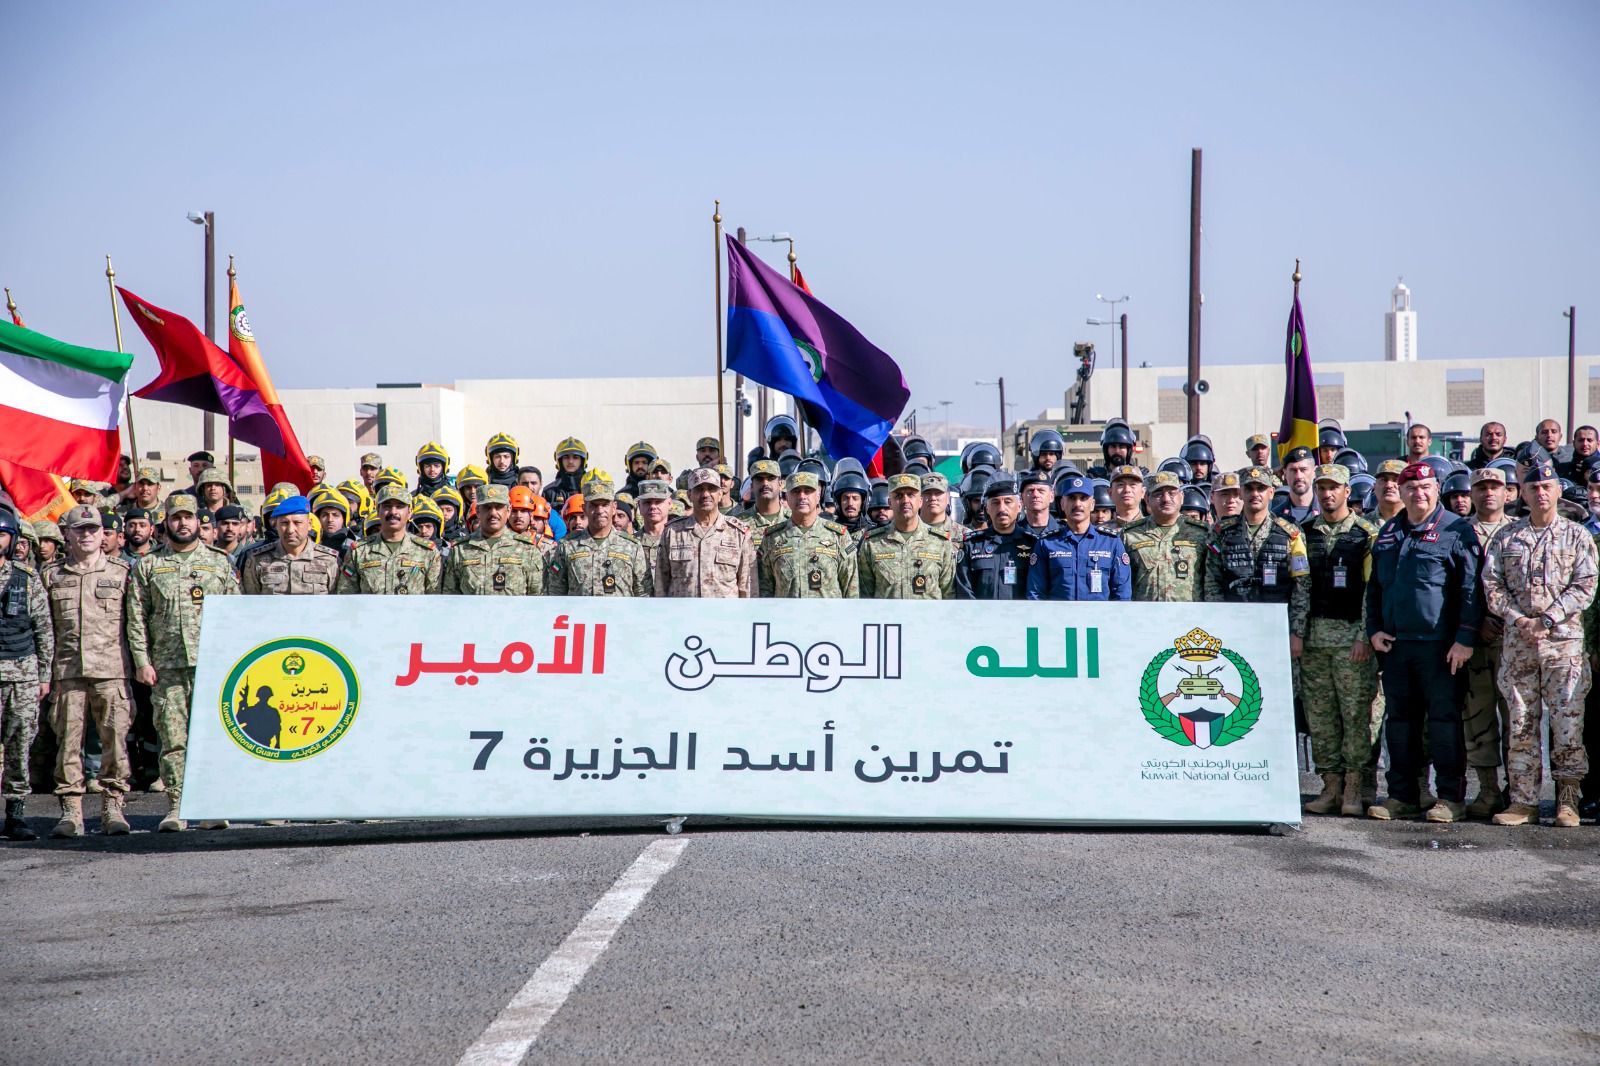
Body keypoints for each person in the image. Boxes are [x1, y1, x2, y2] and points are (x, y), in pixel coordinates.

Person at [1365, 462, 1483, 823]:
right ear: (1400, 493)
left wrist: (1464, 639)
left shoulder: (1456, 530)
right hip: (1397, 647)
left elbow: (1470, 589)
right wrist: (1373, 629)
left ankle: (1450, 797)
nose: (1419, 493)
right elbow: (1375, 589)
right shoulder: (1388, 532)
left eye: (1426, 487)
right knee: (1400, 723)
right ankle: (1403, 795)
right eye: (1411, 488)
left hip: (1440, 647)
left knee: (1444, 723)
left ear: (1437, 490)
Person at [1483, 460, 1597, 827]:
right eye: (1533, 487)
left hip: (1563, 645)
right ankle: (1523, 801)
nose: (1541, 492)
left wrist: (1548, 618)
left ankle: (1567, 800)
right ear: (1524, 493)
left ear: (1558, 491)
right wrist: (1519, 619)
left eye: (1547, 486)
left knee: (1568, 723)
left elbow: (1585, 586)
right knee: (1520, 723)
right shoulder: (1507, 538)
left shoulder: (1577, 536)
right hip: (1519, 644)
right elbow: (1492, 585)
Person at [126, 493, 240, 832]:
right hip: (167, 667)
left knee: (213, 737)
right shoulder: (148, 566)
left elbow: (236, 617)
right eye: (176, 517)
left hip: (213, 666)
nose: (183, 523)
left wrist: (233, 662)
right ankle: (177, 805)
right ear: (167, 523)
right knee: (173, 739)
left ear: (198, 521)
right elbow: (136, 619)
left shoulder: (220, 563)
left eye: (189, 517)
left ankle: (211, 803)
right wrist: (142, 661)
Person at [41, 505, 133, 837]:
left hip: (112, 670)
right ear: (67, 534)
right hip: (67, 671)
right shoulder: (51, 576)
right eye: (80, 529)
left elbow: (134, 626)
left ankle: (112, 806)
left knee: (115, 741)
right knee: (67, 743)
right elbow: (45, 628)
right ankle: (71, 812)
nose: (88, 534)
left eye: (93, 528)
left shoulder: (122, 573)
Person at [1295, 465, 1381, 816]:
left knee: (1356, 717)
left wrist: (1364, 637)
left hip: (1351, 642)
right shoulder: (1303, 533)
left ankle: (1353, 788)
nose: (1327, 494)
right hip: (1315, 641)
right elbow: (1300, 588)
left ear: (1348, 491)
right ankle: (1329, 786)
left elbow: (1371, 592)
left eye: (1334, 488)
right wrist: (1298, 634)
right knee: (1321, 718)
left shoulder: (1366, 535)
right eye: (1322, 487)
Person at [1460, 467, 1516, 817]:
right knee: (1477, 717)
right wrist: (1473, 624)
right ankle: (1488, 790)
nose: (1487, 493)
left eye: (1494, 486)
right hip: (1473, 641)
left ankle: (1519, 789)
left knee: (1518, 720)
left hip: (1512, 641)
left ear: (1508, 492)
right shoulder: (1458, 531)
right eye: (1480, 487)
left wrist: (1502, 619)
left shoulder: (1519, 531)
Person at [0, 509, 52, 842]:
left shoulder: (26, 578)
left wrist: (45, 674)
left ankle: (16, 812)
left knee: (20, 744)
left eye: (1, 534)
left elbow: (43, 629)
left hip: (22, 673)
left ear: (12, 539)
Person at [1203, 467, 1310, 615]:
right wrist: (1220, 620)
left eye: (1261, 488)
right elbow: (1212, 582)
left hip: (1276, 621)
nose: (1255, 494)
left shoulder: (1290, 533)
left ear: (1271, 493)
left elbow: (1301, 585)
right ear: (1240, 493)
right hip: (1233, 620)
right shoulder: (1222, 533)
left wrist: (1296, 630)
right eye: (1249, 489)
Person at [1027, 474, 1131, 601]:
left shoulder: (1111, 543)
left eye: (1083, 498)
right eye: (1072, 498)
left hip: (1099, 619)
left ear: (1092, 504)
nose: (1077, 504)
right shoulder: (1047, 543)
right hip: (1058, 619)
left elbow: (1122, 594)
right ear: (1062, 504)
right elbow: (1036, 593)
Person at [655, 468, 753, 598]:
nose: (705, 494)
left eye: (711, 489)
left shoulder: (738, 533)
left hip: (725, 616)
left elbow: (747, 588)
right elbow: (661, 586)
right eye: (699, 489)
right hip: (682, 616)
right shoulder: (672, 533)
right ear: (689, 495)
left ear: (720, 494)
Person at [757, 471, 859, 598]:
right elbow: (765, 590)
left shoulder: (838, 535)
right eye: (796, 491)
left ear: (818, 496)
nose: (802, 496)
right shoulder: (772, 538)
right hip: (786, 616)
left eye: (808, 491)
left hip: (827, 616)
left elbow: (851, 588)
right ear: (787, 497)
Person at [545, 480, 651, 596]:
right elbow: (556, 591)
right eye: (594, 505)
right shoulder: (567, 546)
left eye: (605, 505)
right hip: (581, 613)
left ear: (614, 507)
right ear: (584, 508)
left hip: (619, 614)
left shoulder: (632, 547)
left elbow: (643, 594)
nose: (600, 511)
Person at [858, 474, 955, 599]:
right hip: (887, 618)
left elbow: (949, 595)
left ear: (920, 501)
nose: (905, 501)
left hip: (928, 618)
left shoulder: (940, 542)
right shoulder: (872, 543)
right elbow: (865, 596)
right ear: (889, 503)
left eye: (911, 495)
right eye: (898, 496)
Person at [336, 485, 442, 594]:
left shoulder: (427, 552)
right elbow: (346, 596)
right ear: (378, 510)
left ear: (410, 512)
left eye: (399, 506)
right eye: (387, 506)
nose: (393, 512)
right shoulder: (358, 551)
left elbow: (435, 599)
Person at [1122, 471, 1208, 602]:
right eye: (1158, 494)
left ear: (1181, 497)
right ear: (1147, 499)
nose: (1166, 499)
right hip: (1145, 616)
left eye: (1172, 493)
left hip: (1188, 616)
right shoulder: (1129, 534)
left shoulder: (1202, 532)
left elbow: (1212, 580)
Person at [442, 486, 544, 595]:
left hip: (513, 612)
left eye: (498, 507)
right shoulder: (460, 549)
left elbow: (536, 596)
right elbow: (450, 597)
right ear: (477, 511)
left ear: (508, 511)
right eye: (487, 507)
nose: (493, 513)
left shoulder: (527, 549)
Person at [955, 474, 1038, 600]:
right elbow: (964, 590)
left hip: (1021, 618)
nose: (1002, 508)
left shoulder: (1033, 544)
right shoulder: (972, 545)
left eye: (1008, 502)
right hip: (982, 618)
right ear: (987, 508)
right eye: (995, 503)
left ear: (1019, 506)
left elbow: (1038, 591)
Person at [241, 496, 340, 595]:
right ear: (276, 525)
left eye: (297, 523)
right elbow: (251, 603)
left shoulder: (329, 560)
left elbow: (338, 603)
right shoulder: (258, 560)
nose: (290, 530)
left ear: (309, 524)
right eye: (284, 523)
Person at [735, 459, 789, 550]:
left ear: (781, 484)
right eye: (759, 479)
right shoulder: (738, 524)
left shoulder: (794, 519)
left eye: (770, 478)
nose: (765, 483)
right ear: (752, 486)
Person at [633, 479, 673, 589]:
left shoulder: (678, 540)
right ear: (639, 506)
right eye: (647, 502)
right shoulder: (630, 545)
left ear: (669, 503)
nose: (653, 506)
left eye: (658, 501)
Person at [1272, 447, 1318, 524]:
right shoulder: (1274, 517)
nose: (1298, 476)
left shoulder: (1327, 513)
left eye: (1303, 470)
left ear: (1314, 472)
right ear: (1285, 474)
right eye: (1293, 470)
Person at [919, 472, 968, 545]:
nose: (933, 498)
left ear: (948, 497)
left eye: (938, 492)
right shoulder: (905, 532)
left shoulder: (964, 535)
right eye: (927, 493)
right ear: (918, 498)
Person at [545, 437, 588, 512]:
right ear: (559, 460)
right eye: (566, 457)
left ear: (583, 460)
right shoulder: (549, 491)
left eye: (575, 457)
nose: (570, 461)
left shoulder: (591, 489)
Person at [1017, 470, 1059, 539]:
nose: (1035, 495)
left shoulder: (1064, 532)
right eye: (1030, 491)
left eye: (1041, 491)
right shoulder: (1014, 532)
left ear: (1051, 496)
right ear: (1022, 498)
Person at [1106, 466, 1145, 530]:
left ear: (1143, 492)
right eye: (1120, 485)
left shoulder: (1154, 529)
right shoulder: (1100, 534)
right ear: (1110, 493)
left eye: (1133, 485)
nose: (1127, 490)